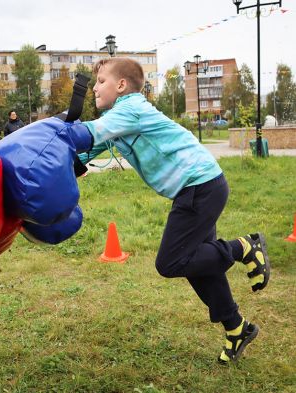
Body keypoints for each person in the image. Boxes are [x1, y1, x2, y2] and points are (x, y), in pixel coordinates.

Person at [78, 57, 270, 364]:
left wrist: (57, 132)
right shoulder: (119, 118)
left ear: (122, 85)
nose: (94, 89)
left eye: (100, 81)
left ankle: (243, 247)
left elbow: (85, 134)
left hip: (199, 187)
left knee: (171, 262)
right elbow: (87, 148)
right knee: (200, 265)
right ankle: (237, 330)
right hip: (201, 186)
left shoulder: (130, 108)